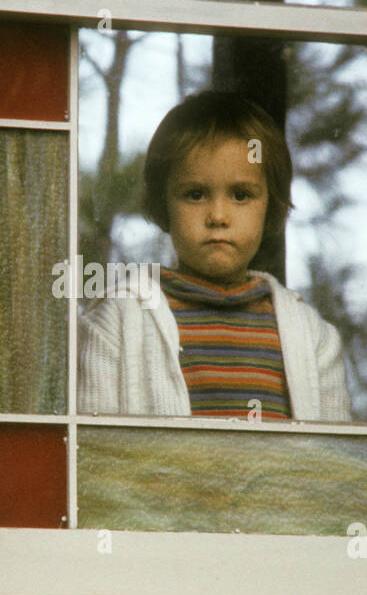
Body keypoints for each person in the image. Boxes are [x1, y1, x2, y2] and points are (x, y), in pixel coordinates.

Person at [78, 91, 351, 421]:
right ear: (164, 205)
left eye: (241, 195)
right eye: (195, 195)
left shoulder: (313, 337)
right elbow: (95, 457)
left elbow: (336, 464)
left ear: (271, 206)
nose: (218, 216)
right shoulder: (117, 321)